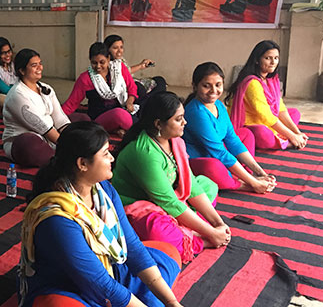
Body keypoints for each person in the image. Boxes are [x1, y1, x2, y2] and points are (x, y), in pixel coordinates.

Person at [19, 122, 187, 307]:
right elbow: (99, 283)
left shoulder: (103, 189)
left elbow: (131, 245)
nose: (112, 158)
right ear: (82, 164)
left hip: (109, 269)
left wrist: (171, 302)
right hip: (69, 287)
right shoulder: (57, 219)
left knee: (168, 253)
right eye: (105, 153)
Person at [112, 92, 231, 263]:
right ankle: (199, 240)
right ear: (159, 124)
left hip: (171, 198)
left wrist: (219, 223)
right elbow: (167, 202)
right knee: (157, 231)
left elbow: (191, 185)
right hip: (142, 209)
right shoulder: (144, 152)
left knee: (208, 185)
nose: (185, 122)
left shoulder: (175, 141)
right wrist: (211, 233)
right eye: (179, 119)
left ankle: (192, 227)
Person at [183, 62, 277, 193]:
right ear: (195, 86)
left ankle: (248, 175)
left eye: (218, 85)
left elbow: (231, 139)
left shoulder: (219, 105)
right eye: (206, 86)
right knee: (213, 167)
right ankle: (242, 184)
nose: (213, 91)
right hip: (200, 159)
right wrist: (253, 182)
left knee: (245, 134)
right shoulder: (196, 112)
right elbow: (218, 151)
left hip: (217, 153)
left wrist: (260, 172)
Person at [225, 40, 307, 149]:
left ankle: (282, 138)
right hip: (252, 124)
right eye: (268, 58)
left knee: (294, 113)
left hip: (269, 122)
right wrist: (292, 136)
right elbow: (266, 116)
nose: (273, 62)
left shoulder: (271, 80)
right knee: (262, 133)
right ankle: (286, 143)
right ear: (257, 60)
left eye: (276, 58)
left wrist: (297, 133)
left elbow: (280, 108)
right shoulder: (252, 83)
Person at [2, 49, 72, 168]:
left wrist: (73, 137)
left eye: (40, 63)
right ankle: (67, 158)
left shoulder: (45, 88)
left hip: (51, 137)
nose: (40, 67)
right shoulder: (17, 94)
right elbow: (43, 128)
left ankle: (61, 155)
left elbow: (60, 119)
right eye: (34, 65)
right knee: (29, 144)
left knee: (81, 120)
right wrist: (70, 147)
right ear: (22, 70)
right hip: (25, 141)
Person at [62, 42, 137, 136]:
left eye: (102, 62)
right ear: (90, 61)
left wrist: (129, 102)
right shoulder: (85, 78)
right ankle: (131, 128)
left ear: (109, 59)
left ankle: (118, 128)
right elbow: (71, 103)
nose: (98, 66)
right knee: (120, 115)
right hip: (99, 117)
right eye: (94, 63)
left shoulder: (119, 69)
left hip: (123, 108)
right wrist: (56, 119)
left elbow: (132, 87)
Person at [105, 34, 167, 107]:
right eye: (115, 48)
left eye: (121, 47)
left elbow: (126, 72)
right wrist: (140, 66)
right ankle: (149, 103)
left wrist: (141, 66)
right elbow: (122, 76)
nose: (119, 51)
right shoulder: (107, 63)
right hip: (125, 88)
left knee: (159, 81)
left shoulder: (119, 60)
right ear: (107, 49)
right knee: (139, 88)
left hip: (132, 83)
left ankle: (149, 101)